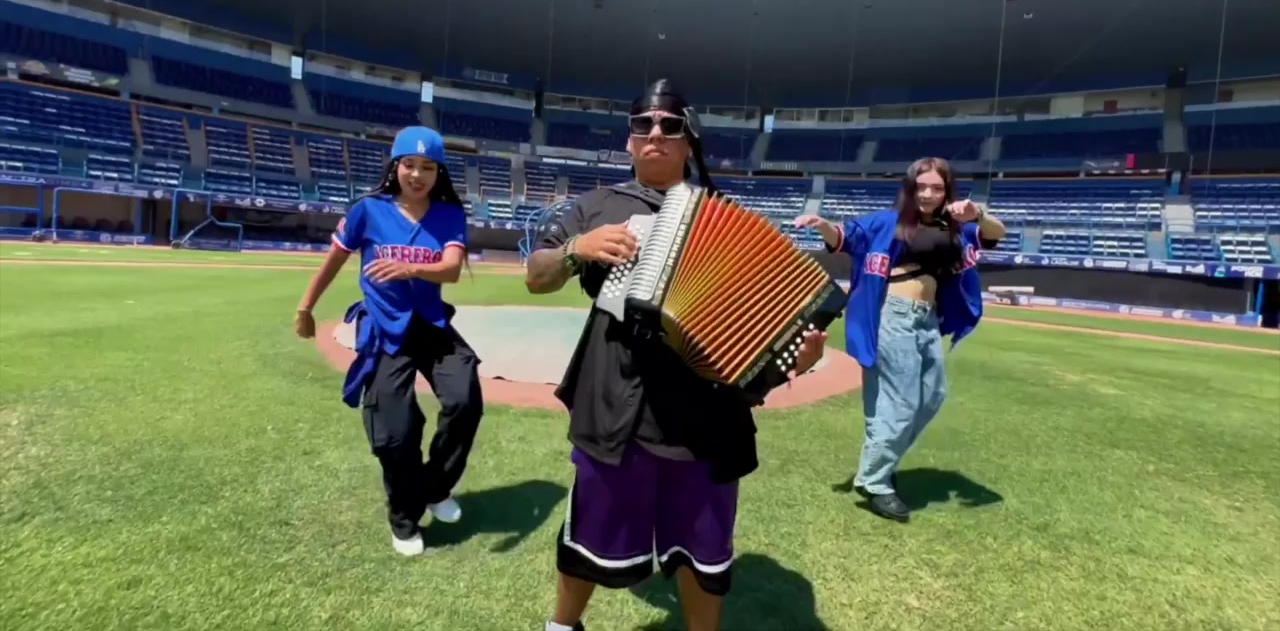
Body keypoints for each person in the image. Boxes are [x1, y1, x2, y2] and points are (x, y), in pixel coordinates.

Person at [525, 80, 827, 631]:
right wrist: (575, 249)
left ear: (689, 141)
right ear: (629, 140)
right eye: (643, 124)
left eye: (670, 125)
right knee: (590, 532)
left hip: (705, 415)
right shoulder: (596, 206)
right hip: (617, 401)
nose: (656, 134)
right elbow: (536, 276)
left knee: (703, 549)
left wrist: (794, 359)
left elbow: (757, 333)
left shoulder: (727, 217)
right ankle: (563, 626)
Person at [295, 126, 484, 556]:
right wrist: (305, 308)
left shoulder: (449, 214)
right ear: (395, 166)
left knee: (465, 400)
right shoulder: (368, 210)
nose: (417, 174)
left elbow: (452, 269)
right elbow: (334, 261)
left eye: (428, 167)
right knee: (396, 433)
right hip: (384, 329)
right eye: (409, 165)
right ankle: (404, 521)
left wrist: (410, 269)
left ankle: (434, 489)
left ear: (439, 173)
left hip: (431, 326)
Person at [794, 157, 1005, 523]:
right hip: (893, 315)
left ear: (947, 190)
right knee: (901, 402)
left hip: (927, 319)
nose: (928, 194)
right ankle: (875, 481)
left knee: (932, 396)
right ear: (910, 189)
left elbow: (996, 233)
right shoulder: (888, 222)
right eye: (921, 187)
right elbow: (844, 238)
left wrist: (979, 214)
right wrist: (823, 226)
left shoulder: (957, 227)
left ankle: (880, 464)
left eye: (936, 188)